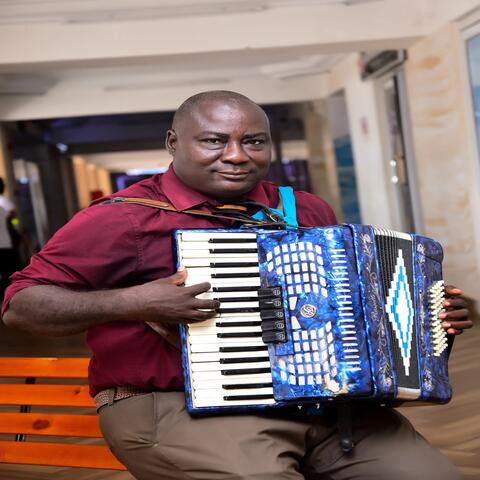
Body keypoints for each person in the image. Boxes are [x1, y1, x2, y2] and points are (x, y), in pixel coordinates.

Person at [2, 91, 472, 480]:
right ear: (173, 143)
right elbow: (21, 305)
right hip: (175, 406)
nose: (236, 155)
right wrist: (135, 301)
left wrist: (426, 321)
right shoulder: (123, 219)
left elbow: (347, 309)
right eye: (213, 140)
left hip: (328, 407)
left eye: (253, 141)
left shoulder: (306, 209)